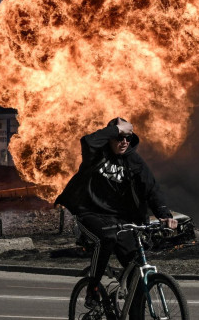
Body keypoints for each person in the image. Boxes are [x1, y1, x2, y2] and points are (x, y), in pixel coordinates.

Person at [54, 118, 178, 298]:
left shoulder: (133, 161)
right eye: (119, 137)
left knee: (136, 269)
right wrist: (117, 128)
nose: (124, 142)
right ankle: (93, 288)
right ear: (110, 137)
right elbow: (88, 140)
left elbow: (151, 189)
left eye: (128, 138)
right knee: (106, 238)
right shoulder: (95, 154)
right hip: (90, 213)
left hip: (120, 219)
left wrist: (164, 215)